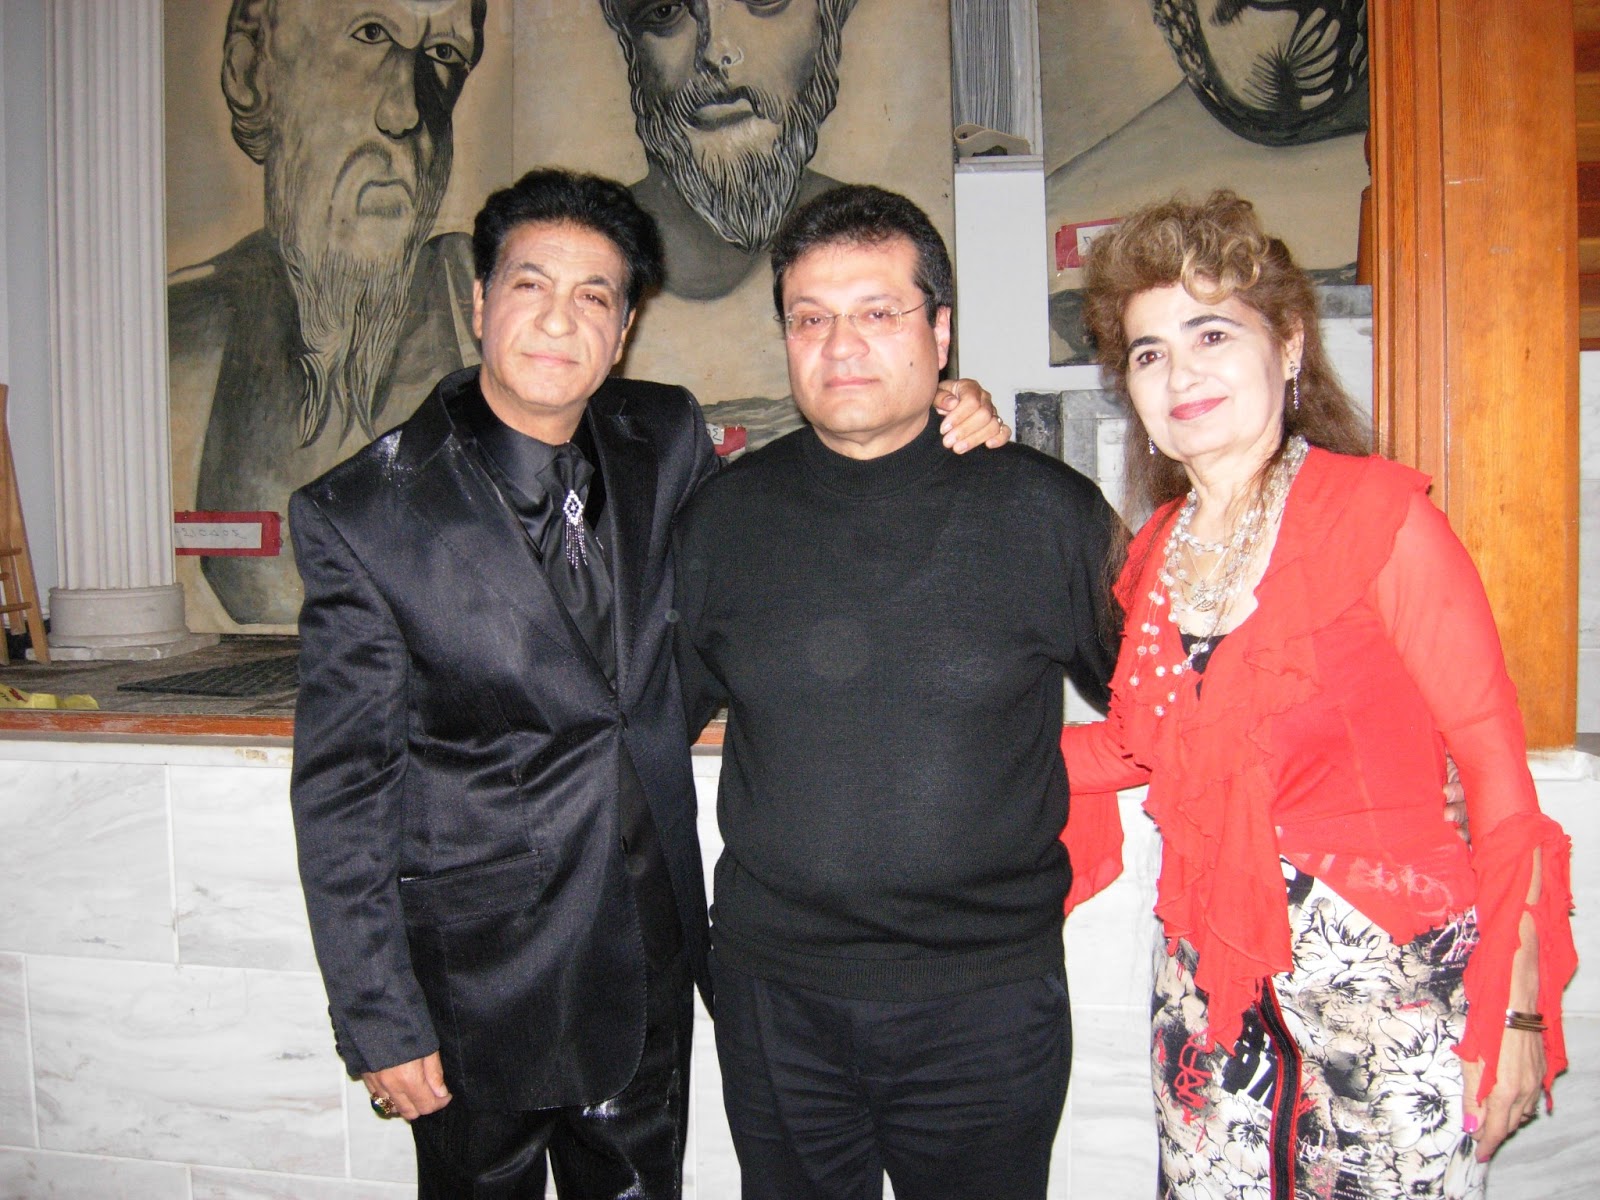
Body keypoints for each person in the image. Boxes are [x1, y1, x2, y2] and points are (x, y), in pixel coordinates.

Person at [289, 168, 1005, 1199]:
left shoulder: (661, 437)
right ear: (480, 304)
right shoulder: (364, 513)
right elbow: (344, 791)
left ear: (623, 329)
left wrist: (937, 412)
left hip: (643, 962)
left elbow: (780, 528)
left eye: (594, 296)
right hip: (477, 989)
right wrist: (377, 1016)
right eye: (531, 286)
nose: (559, 320)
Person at [1060, 190, 1577, 1198]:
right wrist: (959, 752)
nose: (1180, 372)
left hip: (1390, 985)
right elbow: (1138, 744)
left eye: (1212, 333)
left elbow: (1491, 763)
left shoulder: (1380, 517)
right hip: (1209, 985)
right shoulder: (1156, 555)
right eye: (1150, 351)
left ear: (1288, 344)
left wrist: (1516, 1010)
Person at [672, 184, 1120, 1199]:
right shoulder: (724, 522)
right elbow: (647, 726)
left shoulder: (1043, 513)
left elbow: (1168, 706)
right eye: (810, 318)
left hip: (984, 1004)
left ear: (940, 331)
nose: (842, 346)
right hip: (775, 996)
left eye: (878, 312)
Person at [169, 0, 488, 626]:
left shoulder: (493, 318)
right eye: (370, 34)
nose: (406, 113)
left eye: (443, 53)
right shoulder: (171, 339)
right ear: (252, 72)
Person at [597, 0, 859, 300]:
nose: (714, 53)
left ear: (829, 16)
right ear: (631, 47)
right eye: (665, 11)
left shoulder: (880, 241)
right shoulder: (588, 246)